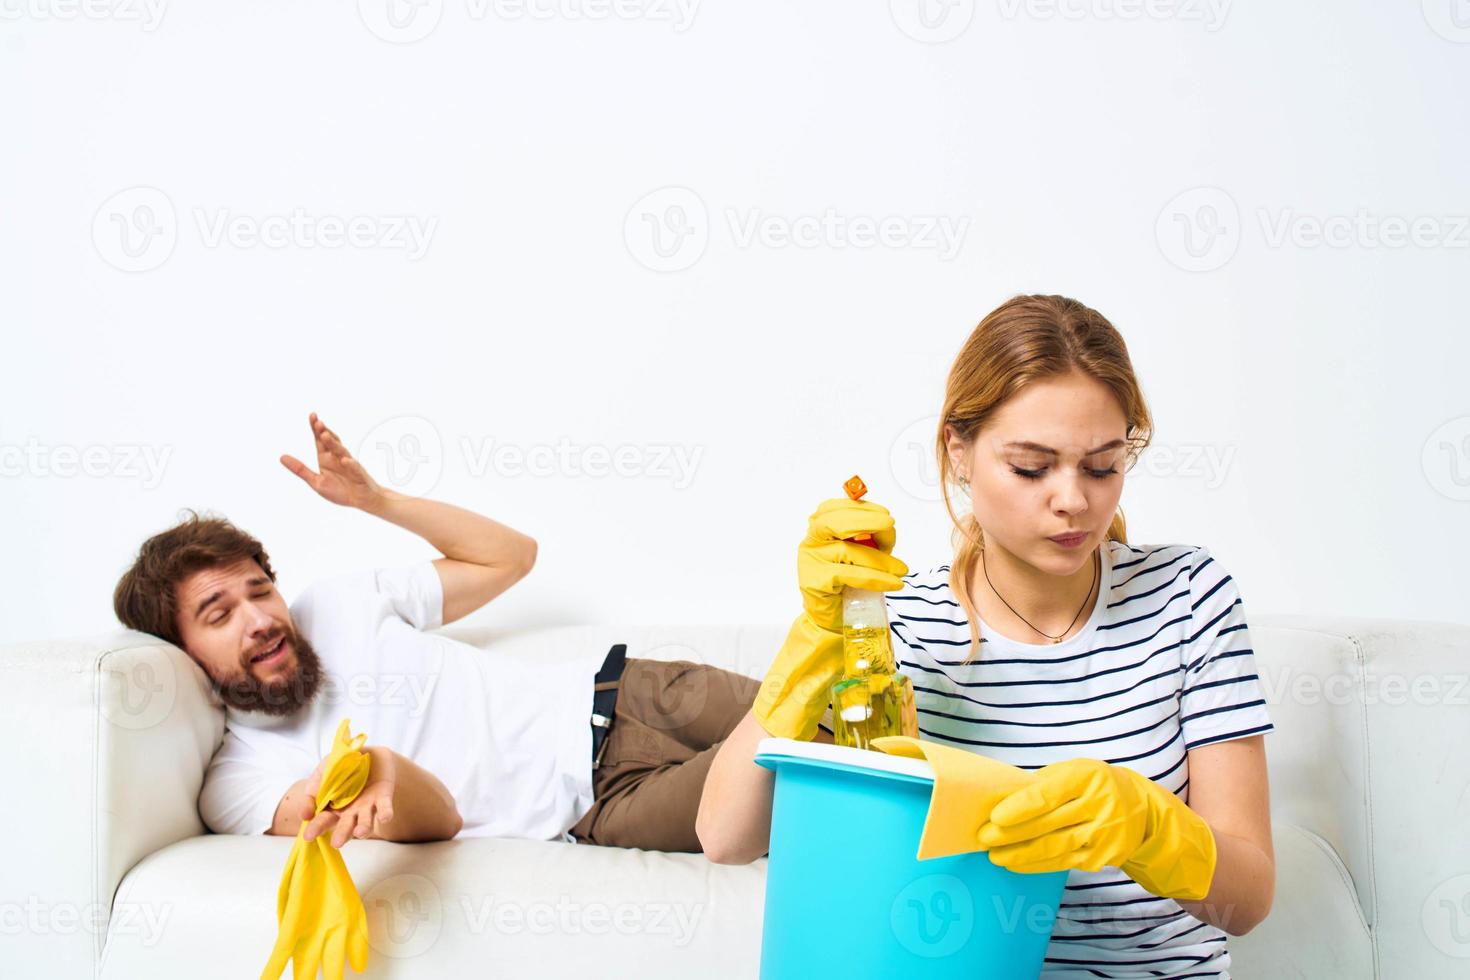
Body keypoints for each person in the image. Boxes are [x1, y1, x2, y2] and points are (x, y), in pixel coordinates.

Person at [697, 294, 1275, 979]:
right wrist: (814, 645)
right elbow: (727, 837)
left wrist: (1152, 829)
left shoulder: (1187, 597)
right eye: (1032, 466)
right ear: (959, 451)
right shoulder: (900, 629)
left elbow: (1249, 899)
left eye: (1102, 465)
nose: (1074, 500)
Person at [111, 412, 757, 852]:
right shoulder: (240, 782)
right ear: (183, 654)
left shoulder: (335, 604)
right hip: (602, 801)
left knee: (845, 714)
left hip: (628, 688)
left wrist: (379, 502)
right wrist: (382, 771)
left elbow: (512, 556)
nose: (259, 619)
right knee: (819, 776)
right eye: (219, 614)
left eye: (261, 591)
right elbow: (411, 816)